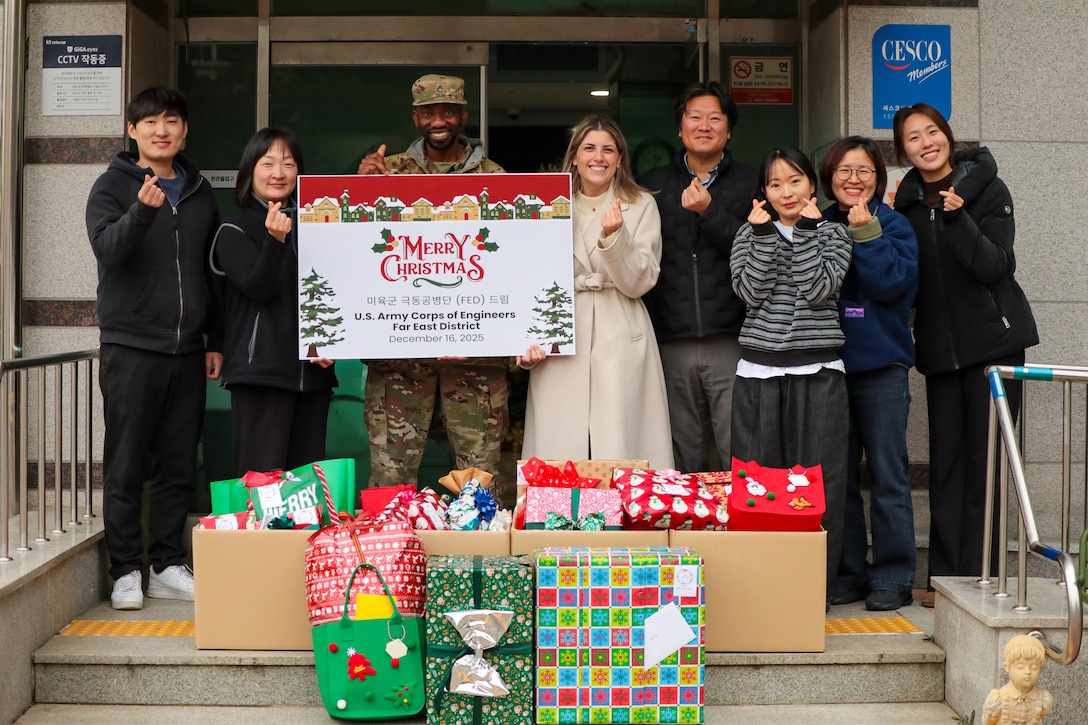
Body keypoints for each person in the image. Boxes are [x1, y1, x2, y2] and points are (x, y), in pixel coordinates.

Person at [892, 103, 1038, 606]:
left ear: (949, 137)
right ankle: (947, 581)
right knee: (947, 464)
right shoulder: (906, 203)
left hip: (994, 347)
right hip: (939, 352)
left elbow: (995, 264)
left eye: (933, 132)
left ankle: (986, 576)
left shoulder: (986, 189)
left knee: (988, 463)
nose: (925, 142)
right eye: (913, 137)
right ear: (903, 150)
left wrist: (957, 220)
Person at [85, 87, 222, 610]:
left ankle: (165, 562)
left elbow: (213, 276)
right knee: (126, 462)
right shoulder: (110, 187)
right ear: (132, 130)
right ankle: (126, 570)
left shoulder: (200, 192)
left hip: (187, 350)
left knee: (177, 463)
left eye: (171, 121)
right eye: (150, 122)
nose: (161, 130)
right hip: (130, 346)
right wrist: (141, 213)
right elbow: (107, 252)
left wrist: (218, 339)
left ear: (184, 130)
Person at [356, 73, 509, 494]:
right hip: (400, 358)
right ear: (415, 117)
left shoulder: (498, 179)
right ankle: (390, 559)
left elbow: (514, 263)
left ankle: (479, 558)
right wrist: (364, 190)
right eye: (428, 113)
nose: (437, 120)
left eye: (447, 111)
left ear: (462, 114)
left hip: (475, 358)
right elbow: (357, 255)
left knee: (480, 483)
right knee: (391, 480)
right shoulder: (387, 173)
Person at [730, 147, 852, 596]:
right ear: (763, 191)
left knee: (819, 484)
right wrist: (764, 239)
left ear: (812, 186)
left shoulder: (834, 233)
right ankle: (761, 591)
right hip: (759, 372)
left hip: (819, 371)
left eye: (795, 180)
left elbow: (819, 290)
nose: (786, 191)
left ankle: (812, 591)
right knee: (758, 484)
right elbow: (751, 293)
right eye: (776, 183)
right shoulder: (747, 234)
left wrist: (808, 232)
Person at [518, 115, 673, 467]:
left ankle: (627, 516)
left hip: (619, 325)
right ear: (574, 156)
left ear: (620, 158)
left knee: (620, 439)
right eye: (589, 148)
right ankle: (558, 516)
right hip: (560, 327)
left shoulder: (641, 204)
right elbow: (529, 276)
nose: (598, 157)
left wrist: (616, 238)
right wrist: (527, 336)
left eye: (608, 149)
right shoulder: (547, 205)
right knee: (559, 442)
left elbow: (641, 281)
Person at [819, 136, 919, 612]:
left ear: (879, 178)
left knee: (887, 474)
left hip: (881, 368)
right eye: (843, 171)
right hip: (827, 366)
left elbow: (892, 288)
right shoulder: (817, 223)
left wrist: (868, 236)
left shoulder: (895, 224)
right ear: (829, 177)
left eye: (863, 171)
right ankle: (848, 572)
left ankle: (894, 576)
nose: (853, 180)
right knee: (836, 479)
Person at [638, 81, 759, 473]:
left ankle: (742, 532)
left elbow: (758, 252)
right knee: (681, 449)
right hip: (671, 340)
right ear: (680, 127)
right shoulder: (651, 185)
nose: (704, 125)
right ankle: (689, 532)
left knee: (737, 445)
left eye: (715, 118)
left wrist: (710, 212)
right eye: (695, 117)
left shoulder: (751, 182)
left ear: (729, 129)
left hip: (732, 338)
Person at [210, 127, 336, 476]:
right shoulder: (233, 230)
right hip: (260, 374)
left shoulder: (315, 227)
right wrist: (274, 240)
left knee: (307, 491)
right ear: (249, 171)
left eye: (288, 163)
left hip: (313, 377)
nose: (278, 173)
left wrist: (330, 341)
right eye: (267, 163)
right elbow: (259, 287)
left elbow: (332, 291)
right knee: (262, 485)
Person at [983, 634, 1052, 725]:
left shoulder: (1043, 699)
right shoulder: (998, 700)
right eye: (1020, 667)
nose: (1028, 672)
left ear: (1041, 669)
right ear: (1007, 667)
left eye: (1034, 667)